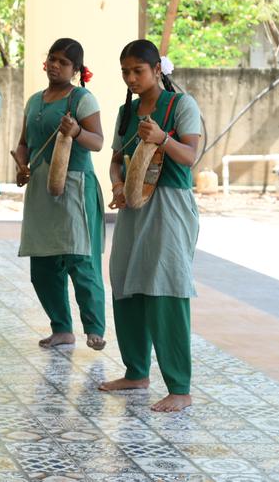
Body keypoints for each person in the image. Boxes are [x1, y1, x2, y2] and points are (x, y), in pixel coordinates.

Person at [100, 40, 201, 413]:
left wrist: (162, 138)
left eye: (137, 71)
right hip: (133, 207)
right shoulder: (125, 113)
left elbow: (190, 156)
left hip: (170, 206)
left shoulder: (180, 105)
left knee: (165, 287)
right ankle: (136, 372)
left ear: (157, 69)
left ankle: (179, 387)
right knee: (126, 282)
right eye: (125, 72)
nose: (131, 78)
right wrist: (116, 186)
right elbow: (115, 161)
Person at [13, 38, 106, 350]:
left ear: (76, 70)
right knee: (42, 263)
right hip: (41, 187)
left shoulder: (82, 99)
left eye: (63, 62)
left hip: (74, 186)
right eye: (52, 59)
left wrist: (77, 131)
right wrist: (22, 165)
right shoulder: (34, 101)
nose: (55, 66)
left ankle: (94, 327)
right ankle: (61, 328)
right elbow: (25, 142)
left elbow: (97, 142)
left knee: (78, 258)